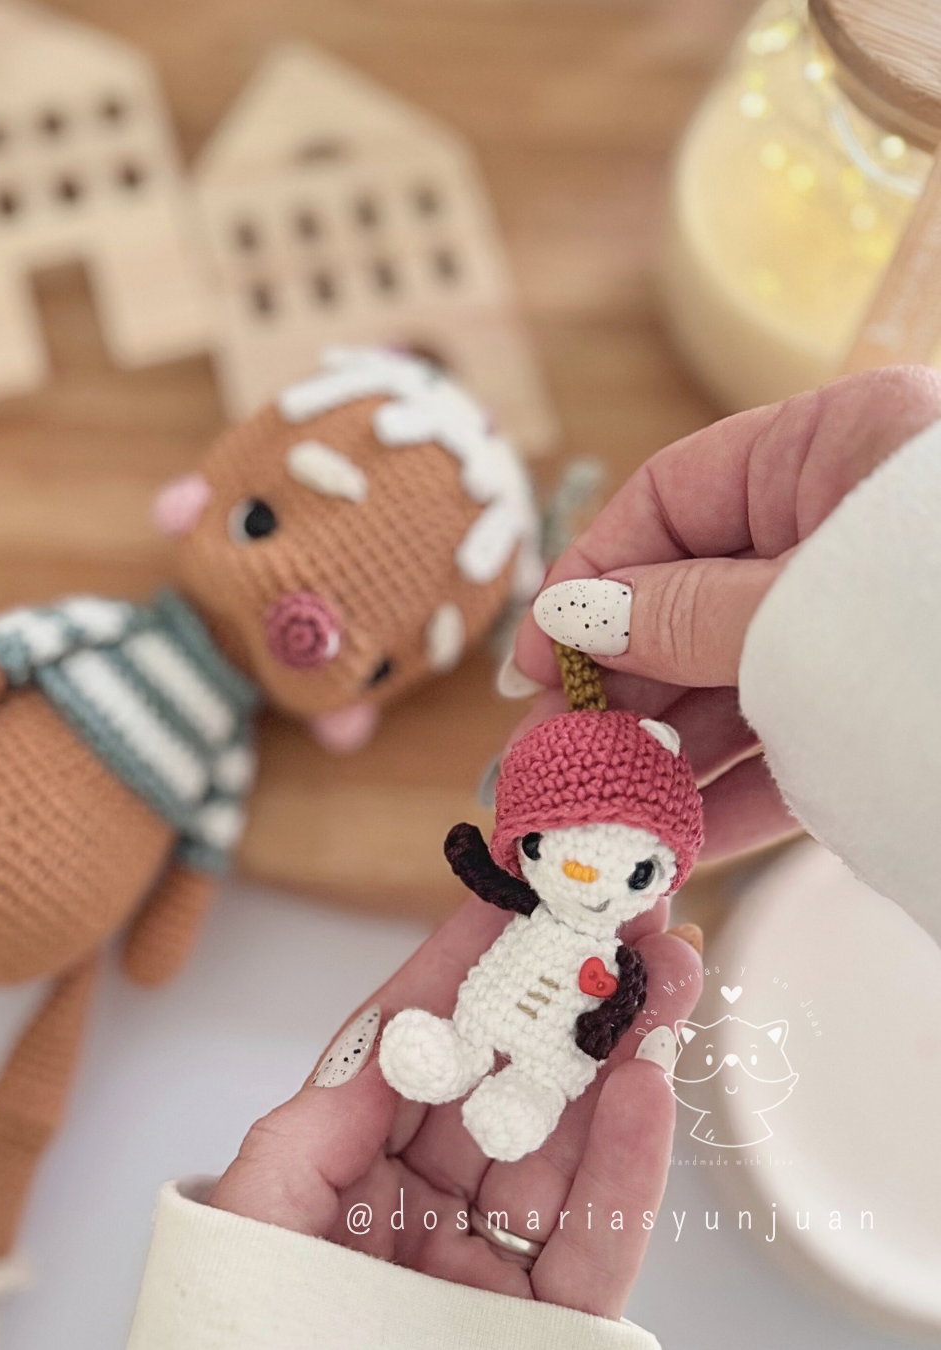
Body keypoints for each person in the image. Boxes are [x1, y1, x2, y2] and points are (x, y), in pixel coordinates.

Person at [126, 366, 941, 1348]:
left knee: (544, 1085)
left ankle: (507, 1086)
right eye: (565, 850)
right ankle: (463, 1061)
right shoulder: (524, 898)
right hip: (478, 1032)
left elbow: (621, 999)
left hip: (543, 1062)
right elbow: (481, 866)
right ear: (532, 847)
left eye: (634, 870)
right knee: (461, 1036)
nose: (597, 875)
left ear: (664, 867)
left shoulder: (613, 944)